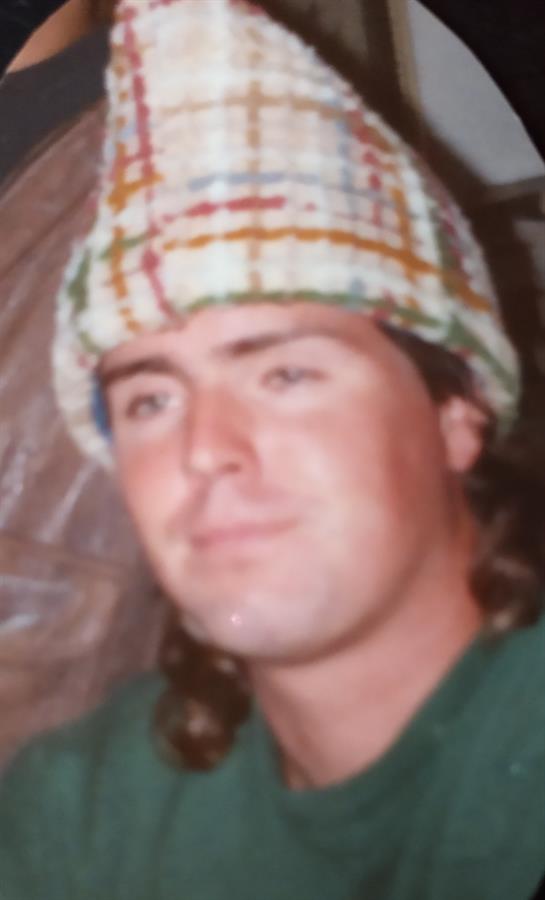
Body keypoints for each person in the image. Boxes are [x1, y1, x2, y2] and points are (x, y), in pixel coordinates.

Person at [0, 0, 543, 897]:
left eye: (286, 374)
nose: (205, 450)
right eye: (151, 399)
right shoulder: (87, 805)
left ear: (458, 412)